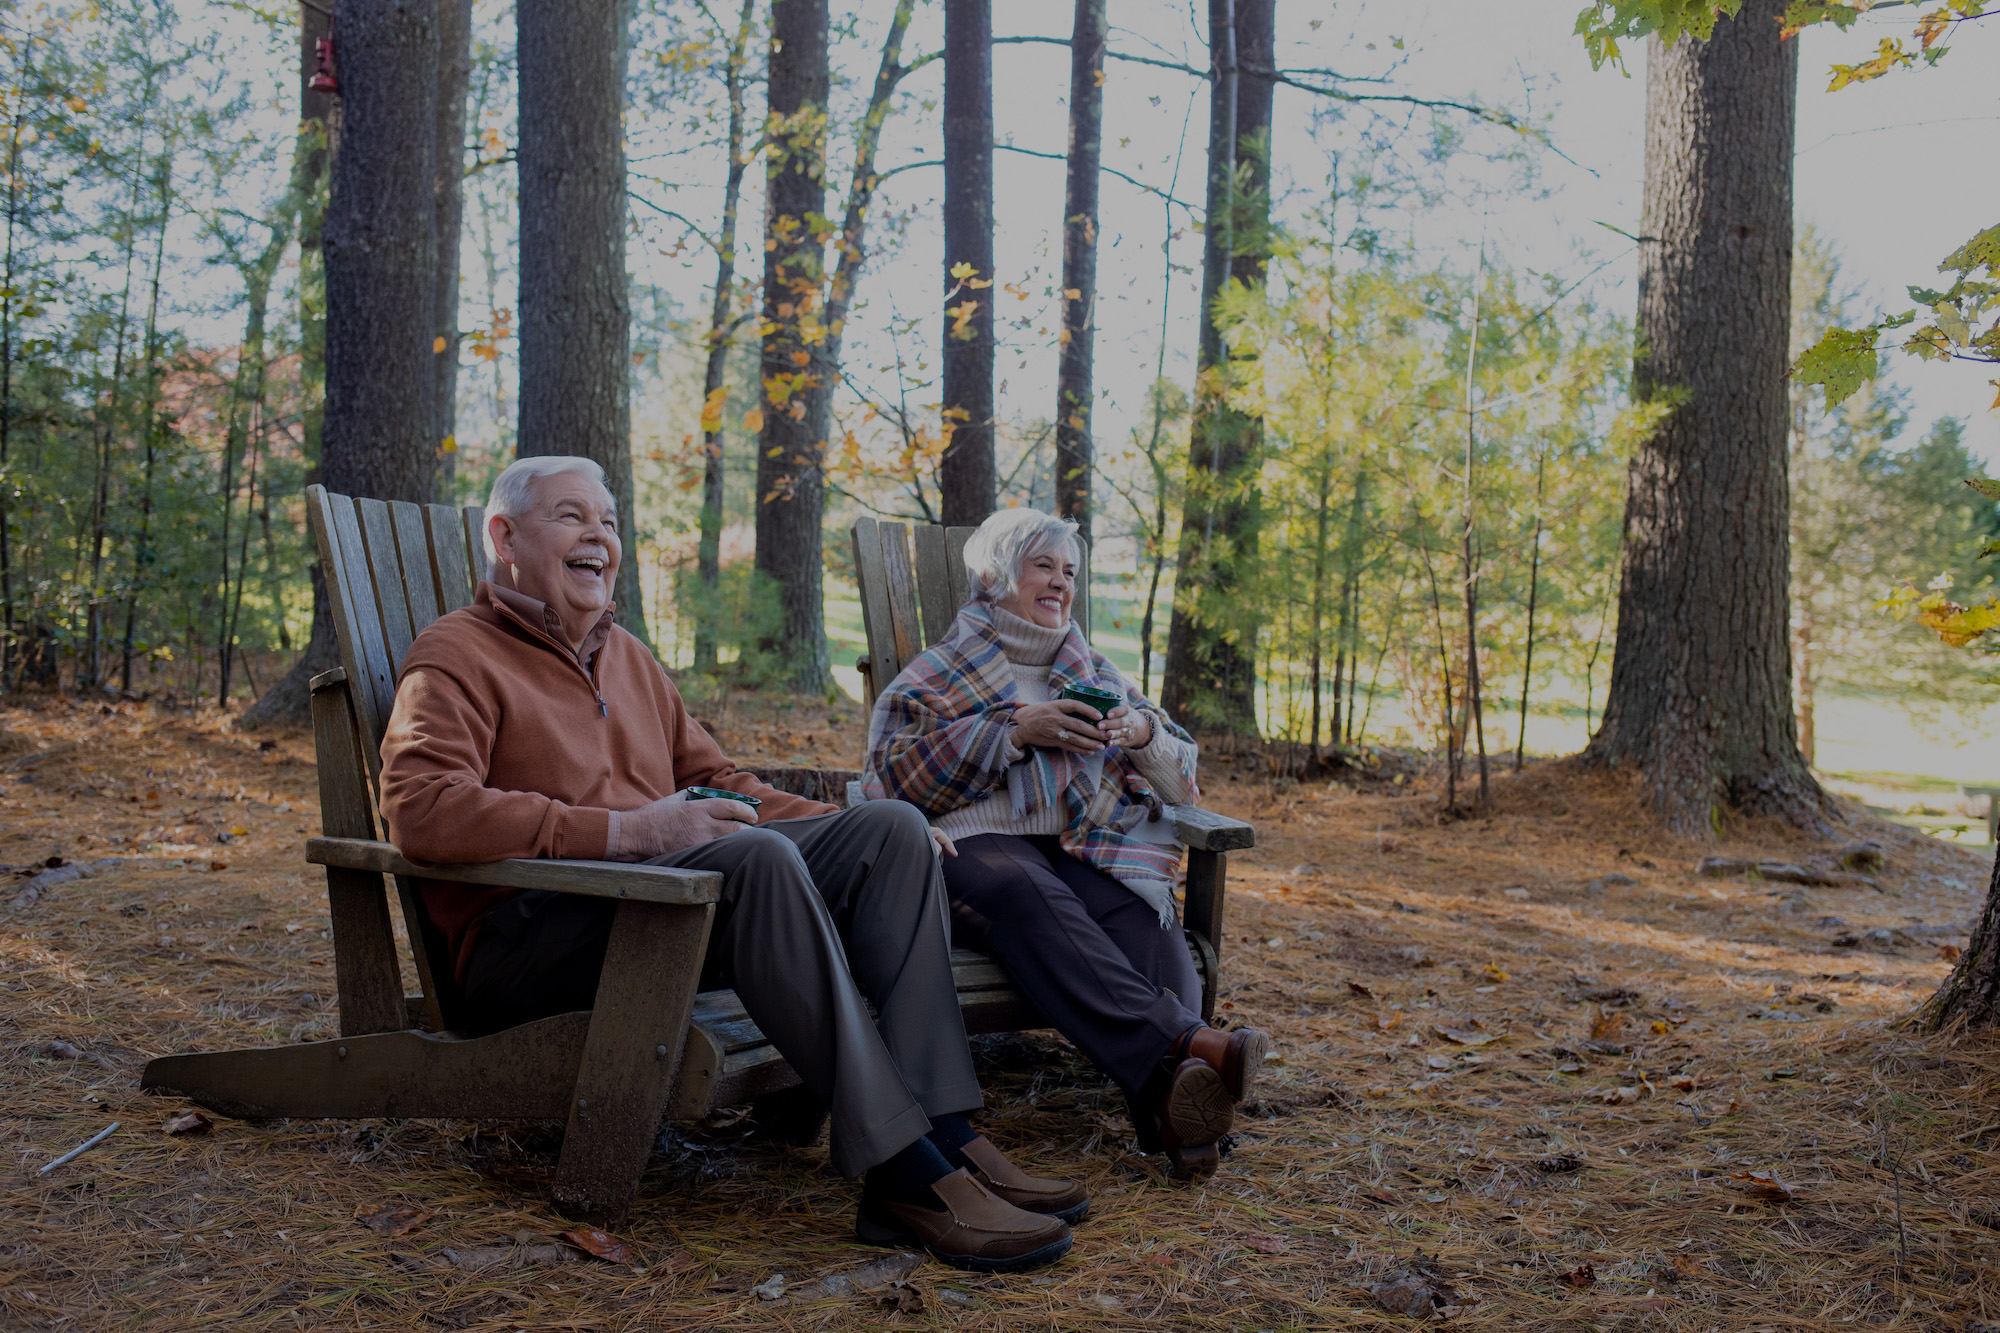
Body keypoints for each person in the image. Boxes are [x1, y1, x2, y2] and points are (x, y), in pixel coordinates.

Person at [376, 455, 1083, 1273]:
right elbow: (421, 807)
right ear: (505, 537)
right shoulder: (457, 651)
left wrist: (844, 824)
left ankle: (948, 1129)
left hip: (659, 912)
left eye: (608, 520)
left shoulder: (629, 659)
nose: (599, 536)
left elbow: (720, 785)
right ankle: (904, 1171)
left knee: (888, 829)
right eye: (571, 517)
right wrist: (625, 832)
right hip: (532, 936)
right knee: (753, 858)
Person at [863, 507, 1268, 1179]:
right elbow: (894, 769)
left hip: (1079, 844)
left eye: (1070, 571)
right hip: (970, 846)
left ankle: (1175, 1107)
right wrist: (1015, 732)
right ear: (993, 575)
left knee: (1144, 918)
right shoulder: (939, 671)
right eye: (1043, 566)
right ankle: (1190, 1044)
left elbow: (1184, 777)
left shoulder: (1098, 673)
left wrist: (1140, 733)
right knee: (1025, 890)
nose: (1060, 583)